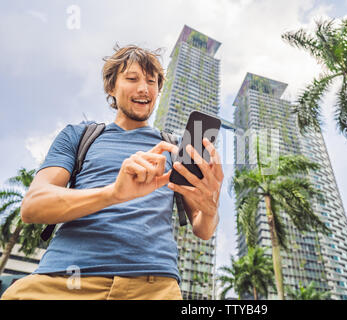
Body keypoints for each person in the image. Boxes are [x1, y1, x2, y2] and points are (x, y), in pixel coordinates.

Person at [1, 44, 223, 300]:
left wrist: (210, 208)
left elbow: (203, 229)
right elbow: (33, 207)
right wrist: (114, 194)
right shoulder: (79, 136)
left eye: (152, 82)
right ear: (111, 87)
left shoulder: (176, 148)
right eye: (132, 79)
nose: (144, 88)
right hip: (64, 281)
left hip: (153, 287)